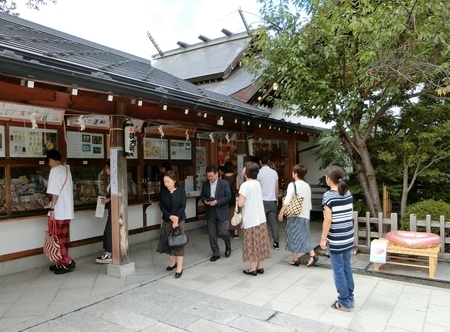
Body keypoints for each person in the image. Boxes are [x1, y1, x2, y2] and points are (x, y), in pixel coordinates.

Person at [320, 165, 355, 312]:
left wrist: (323, 238)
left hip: (336, 239)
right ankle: (350, 298)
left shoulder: (328, 196)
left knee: (338, 270)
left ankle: (344, 302)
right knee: (347, 267)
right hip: (348, 236)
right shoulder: (348, 193)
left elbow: (328, 220)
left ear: (329, 179)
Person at [278, 164, 318, 267]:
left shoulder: (293, 185)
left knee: (293, 236)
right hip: (305, 214)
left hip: (295, 215)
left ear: (295, 174)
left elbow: (287, 200)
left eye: (293, 171)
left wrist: (281, 212)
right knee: (301, 235)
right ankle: (295, 259)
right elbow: (308, 202)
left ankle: (312, 255)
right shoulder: (307, 185)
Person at [237, 161, 271, 275]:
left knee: (251, 243)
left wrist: (237, 200)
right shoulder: (257, 183)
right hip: (261, 218)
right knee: (260, 242)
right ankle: (260, 266)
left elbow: (241, 204)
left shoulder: (244, 185)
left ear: (246, 171)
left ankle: (252, 268)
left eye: (244, 168)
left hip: (250, 219)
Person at [46, 149, 75, 274]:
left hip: (59, 211)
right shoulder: (66, 170)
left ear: (51, 160)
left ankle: (68, 262)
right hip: (68, 210)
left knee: (57, 239)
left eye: (48, 161)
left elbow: (55, 193)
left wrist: (52, 209)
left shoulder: (54, 170)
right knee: (63, 238)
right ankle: (60, 263)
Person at [157, 170, 187, 278]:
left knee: (178, 242)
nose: (166, 184)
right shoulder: (163, 192)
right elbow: (162, 207)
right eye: (165, 182)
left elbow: (182, 206)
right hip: (167, 220)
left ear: (174, 181)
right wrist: (170, 216)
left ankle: (179, 267)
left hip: (179, 220)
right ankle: (172, 262)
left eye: (168, 182)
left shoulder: (181, 191)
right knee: (168, 241)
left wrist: (176, 219)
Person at [201, 165, 232, 261]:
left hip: (221, 210)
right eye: (208, 176)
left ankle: (228, 246)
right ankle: (216, 253)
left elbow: (228, 196)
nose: (210, 178)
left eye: (212, 176)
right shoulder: (205, 184)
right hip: (210, 211)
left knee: (223, 232)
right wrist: (205, 201)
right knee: (212, 234)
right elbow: (202, 195)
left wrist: (217, 202)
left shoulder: (224, 183)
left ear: (217, 174)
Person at [257, 153, 280, 249]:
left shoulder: (258, 173)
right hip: (272, 200)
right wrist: (277, 198)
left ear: (260, 162)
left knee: (262, 222)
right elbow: (276, 187)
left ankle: (263, 242)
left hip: (262, 201)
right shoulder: (274, 173)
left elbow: (257, 187)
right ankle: (276, 242)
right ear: (269, 162)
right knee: (273, 222)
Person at [96, 160, 112, 264]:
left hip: (115, 209)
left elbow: (118, 194)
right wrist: (106, 194)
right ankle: (110, 251)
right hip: (111, 209)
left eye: (106, 168)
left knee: (109, 231)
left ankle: (109, 252)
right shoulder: (112, 179)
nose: (105, 170)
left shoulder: (116, 179)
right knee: (109, 230)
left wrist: (108, 199)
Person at [222, 161, 240, 239]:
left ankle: (226, 230)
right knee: (234, 213)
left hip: (225, 197)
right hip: (234, 197)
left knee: (225, 214)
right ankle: (235, 233)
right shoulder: (236, 176)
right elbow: (237, 188)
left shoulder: (222, 176)